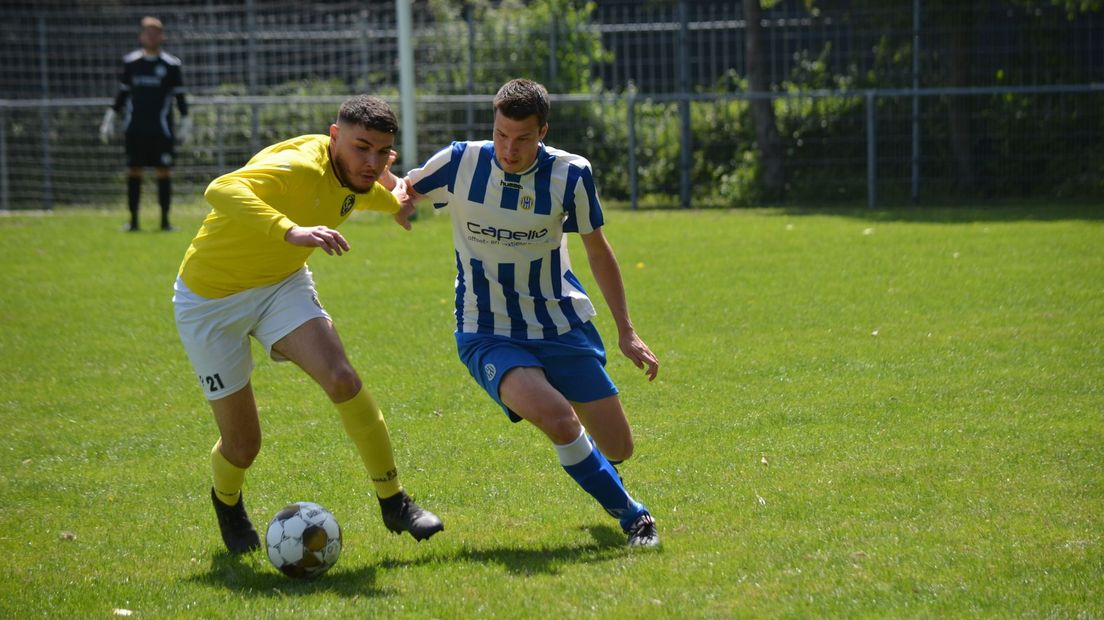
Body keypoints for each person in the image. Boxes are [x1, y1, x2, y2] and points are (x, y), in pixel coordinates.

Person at [173, 94, 441, 554]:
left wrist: (394, 202)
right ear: (334, 136)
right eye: (361, 148)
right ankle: (227, 500)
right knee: (243, 446)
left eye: (381, 153)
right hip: (209, 301)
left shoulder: (357, 174)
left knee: (342, 378)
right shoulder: (298, 165)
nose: (371, 162)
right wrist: (289, 230)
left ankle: (395, 502)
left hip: (280, 285)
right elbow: (220, 189)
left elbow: (367, 192)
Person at [402, 78, 661, 547]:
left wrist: (626, 330)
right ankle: (635, 518)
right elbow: (404, 189)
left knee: (619, 446)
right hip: (486, 327)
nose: (509, 148)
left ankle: (595, 466)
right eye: (501, 134)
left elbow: (598, 251)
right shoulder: (461, 162)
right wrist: (397, 201)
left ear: (542, 130)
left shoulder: (571, 174)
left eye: (522, 138)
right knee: (559, 418)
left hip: (560, 323)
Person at [99, 16, 190, 232]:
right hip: (135, 129)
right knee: (134, 172)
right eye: (147, 32)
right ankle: (133, 222)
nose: (151, 36)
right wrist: (110, 117)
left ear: (162, 36)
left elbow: (180, 98)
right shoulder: (131, 63)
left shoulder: (171, 65)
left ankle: (165, 222)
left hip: (161, 130)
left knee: (164, 172)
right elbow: (122, 94)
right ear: (141, 36)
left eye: (155, 32)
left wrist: (186, 120)